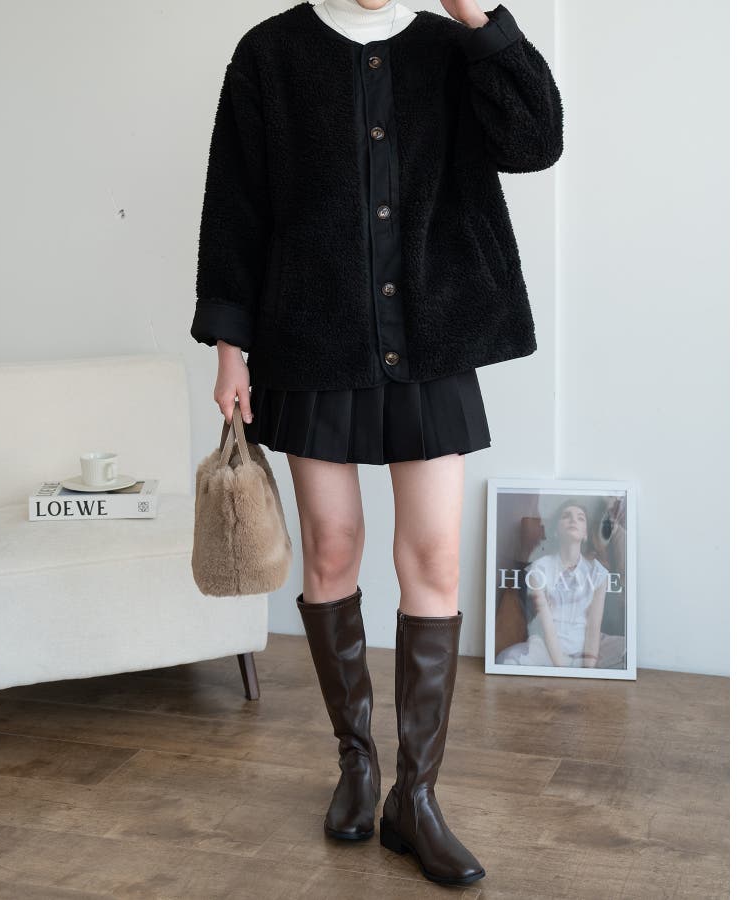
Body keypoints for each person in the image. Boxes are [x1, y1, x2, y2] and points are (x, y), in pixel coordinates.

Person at [191, 0, 563, 886]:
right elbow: (236, 204)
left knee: (434, 556)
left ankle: (417, 798)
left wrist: (479, 16)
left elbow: (536, 139)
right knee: (333, 548)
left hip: (432, 340)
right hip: (312, 340)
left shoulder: (450, 45)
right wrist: (230, 347)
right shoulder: (270, 54)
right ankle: (357, 766)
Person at [496, 500, 627, 669]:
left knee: (627, 650)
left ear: (585, 533)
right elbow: (547, 625)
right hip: (547, 647)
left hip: (587, 644)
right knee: (506, 659)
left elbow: (594, 626)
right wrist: (562, 665)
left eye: (580, 518)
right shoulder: (539, 569)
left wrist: (589, 666)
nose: (573, 520)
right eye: (566, 516)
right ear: (556, 531)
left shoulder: (598, 573)